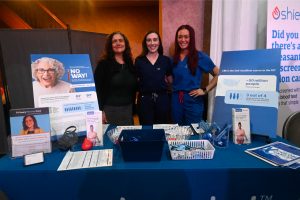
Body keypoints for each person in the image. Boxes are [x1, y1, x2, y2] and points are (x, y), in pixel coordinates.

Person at [172, 24, 219, 125]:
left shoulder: (200, 56)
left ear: (191, 38)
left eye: (186, 37)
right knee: (178, 131)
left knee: (194, 132)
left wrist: (205, 90)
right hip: (176, 100)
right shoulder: (174, 58)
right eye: (180, 37)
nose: (183, 40)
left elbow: (218, 74)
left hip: (193, 100)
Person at [94, 31, 137, 125]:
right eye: (114, 41)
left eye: (121, 40)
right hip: (110, 111)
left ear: (125, 44)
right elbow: (97, 90)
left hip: (128, 111)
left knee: (127, 139)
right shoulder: (103, 64)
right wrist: (100, 111)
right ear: (110, 45)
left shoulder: (130, 64)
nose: (118, 43)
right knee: (111, 139)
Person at [135, 31, 172, 125]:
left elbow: (170, 80)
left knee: (162, 129)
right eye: (149, 40)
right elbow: (136, 81)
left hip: (162, 100)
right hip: (144, 101)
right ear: (145, 43)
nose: (152, 43)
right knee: (146, 131)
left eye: (155, 40)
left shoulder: (166, 60)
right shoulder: (139, 61)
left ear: (159, 42)